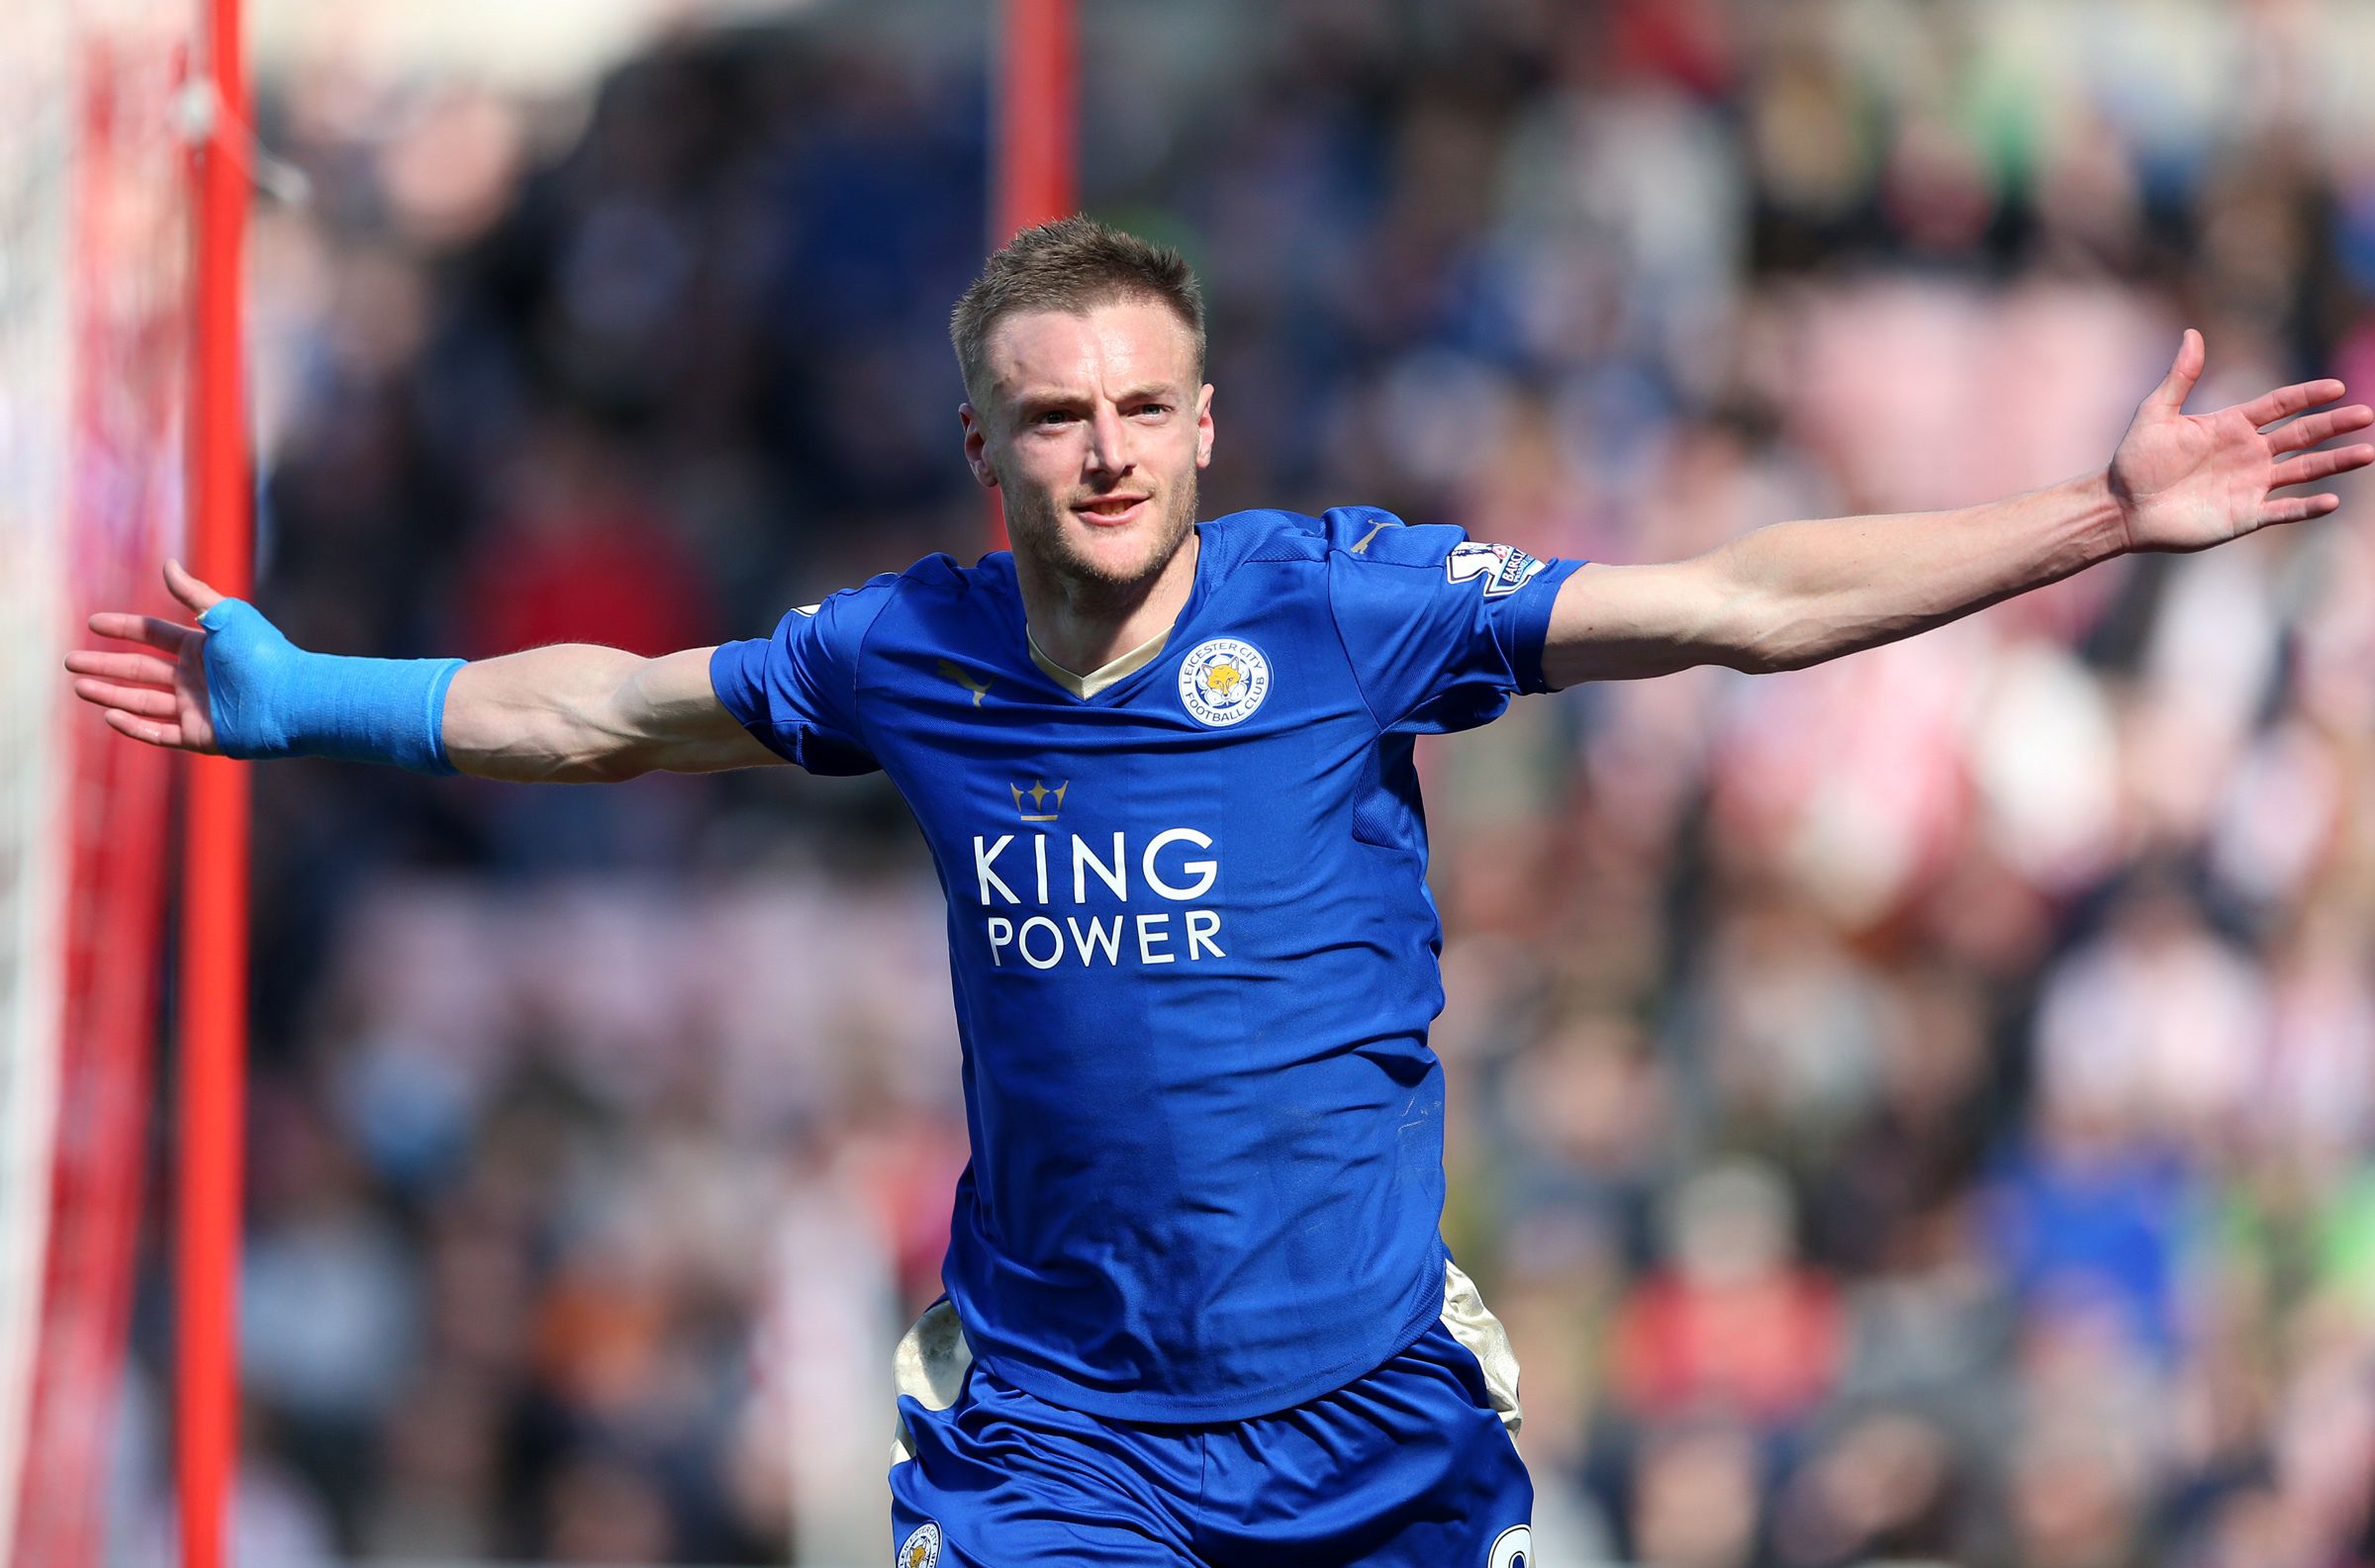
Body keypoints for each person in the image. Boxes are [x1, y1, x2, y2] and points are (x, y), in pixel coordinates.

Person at [67, 218, 2373, 1568]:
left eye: (1142, 410)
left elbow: (1743, 601)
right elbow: (606, 712)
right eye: (1054, 415)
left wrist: (2094, 518)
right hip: (1061, 1434)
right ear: (986, 447)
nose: (1104, 450)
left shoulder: (1347, 608)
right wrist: (314, 695)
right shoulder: (907, 652)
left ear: (1203, 427)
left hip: (1366, 1416)